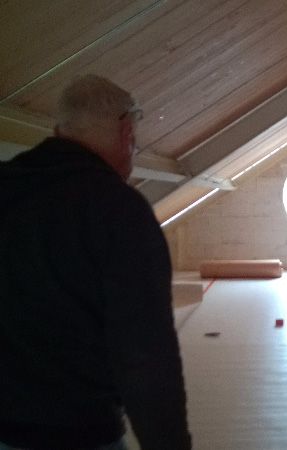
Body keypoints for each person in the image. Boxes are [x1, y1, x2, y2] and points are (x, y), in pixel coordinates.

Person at [0, 75, 191, 449]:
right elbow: (145, 354)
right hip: (79, 432)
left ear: (59, 131)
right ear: (126, 133)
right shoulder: (118, 210)